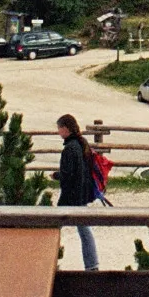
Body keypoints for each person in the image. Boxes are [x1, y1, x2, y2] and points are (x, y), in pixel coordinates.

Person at [53, 114, 98, 271]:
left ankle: (46, 261)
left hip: (72, 196)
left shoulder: (70, 149)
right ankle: (92, 265)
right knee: (84, 230)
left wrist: (56, 175)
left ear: (65, 129)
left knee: (53, 226)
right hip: (81, 195)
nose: (58, 132)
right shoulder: (81, 144)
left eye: (59, 128)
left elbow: (67, 175)